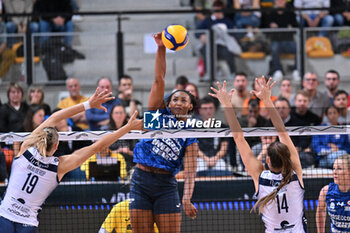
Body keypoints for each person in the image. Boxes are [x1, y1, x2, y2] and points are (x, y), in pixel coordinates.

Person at [0, 88, 142, 232]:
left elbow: (53, 118)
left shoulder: (25, 148)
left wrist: (87, 104)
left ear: (39, 138)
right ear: (56, 146)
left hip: (4, 217)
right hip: (27, 225)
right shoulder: (59, 166)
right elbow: (98, 146)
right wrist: (127, 128)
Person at [209, 77, 307, 232]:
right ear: (287, 158)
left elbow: (238, 138)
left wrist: (227, 105)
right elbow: (282, 132)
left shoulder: (261, 177)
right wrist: (267, 100)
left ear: (267, 160)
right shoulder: (295, 173)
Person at [129, 33, 198, 233]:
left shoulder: (191, 134)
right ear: (169, 104)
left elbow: (191, 170)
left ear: (190, 106)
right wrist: (161, 48)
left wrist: (186, 198)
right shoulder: (156, 115)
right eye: (174, 99)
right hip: (141, 180)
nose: (178, 102)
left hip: (166, 184)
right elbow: (159, 80)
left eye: (183, 100)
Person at [196, 96, 231, 176]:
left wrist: (215, 158)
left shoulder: (222, 127)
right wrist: (206, 159)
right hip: (201, 159)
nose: (208, 111)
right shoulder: (195, 127)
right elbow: (195, 148)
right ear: (200, 110)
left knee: (222, 168)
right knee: (198, 169)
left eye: (210, 108)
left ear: (214, 109)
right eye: (205, 108)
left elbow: (224, 148)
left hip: (218, 159)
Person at [266, 0, 299, 81]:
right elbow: (265, 26)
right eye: (278, 0)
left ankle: (296, 70)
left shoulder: (290, 13)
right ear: (275, 2)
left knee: (298, 49)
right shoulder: (271, 13)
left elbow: (296, 26)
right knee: (274, 48)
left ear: (285, 1)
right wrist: (270, 25)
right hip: (276, 40)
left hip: (288, 40)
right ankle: (278, 70)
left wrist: (291, 28)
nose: (280, 1)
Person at [316, 154, 350, 233]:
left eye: (339, 169)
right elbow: (320, 211)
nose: (334, 172)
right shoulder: (326, 191)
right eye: (333, 168)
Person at [104, 104, 137, 172]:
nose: (119, 115)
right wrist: (118, 151)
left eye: (121, 113)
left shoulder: (131, 132)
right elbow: (102, 153)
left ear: (125, 115)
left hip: (130, 165)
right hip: (111, 165)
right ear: (112, 115)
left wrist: (128, 152)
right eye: (116, 113)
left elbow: (137, 154)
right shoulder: (105, 131)